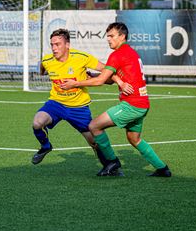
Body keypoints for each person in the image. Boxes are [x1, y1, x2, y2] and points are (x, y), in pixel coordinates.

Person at [60, 22, 171, 177]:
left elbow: (100, 81)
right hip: (142, 103)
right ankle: (162, 169)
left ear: (122, 36)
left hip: (132, 105)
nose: (108, 39)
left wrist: (76, 83)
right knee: (134, 138)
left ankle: (112, 162)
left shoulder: (118, 54)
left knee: (94, 126)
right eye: (107, 36)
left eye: (111, 36)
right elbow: (109, 79)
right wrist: (94, 76)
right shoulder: (130, 52)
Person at [32, 28, 129, 176]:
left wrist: (120, 82)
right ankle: (45, 146)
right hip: (56, 103)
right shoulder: (47, 60)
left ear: (67, 45)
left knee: (94, 142)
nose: (54, 48)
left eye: (58, 44)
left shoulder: (81, 57)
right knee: (37, 123)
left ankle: (110, 166)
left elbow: (107, 69)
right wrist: (42, 72)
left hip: (79, 107)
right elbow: (43, 66)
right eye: (52, 45)